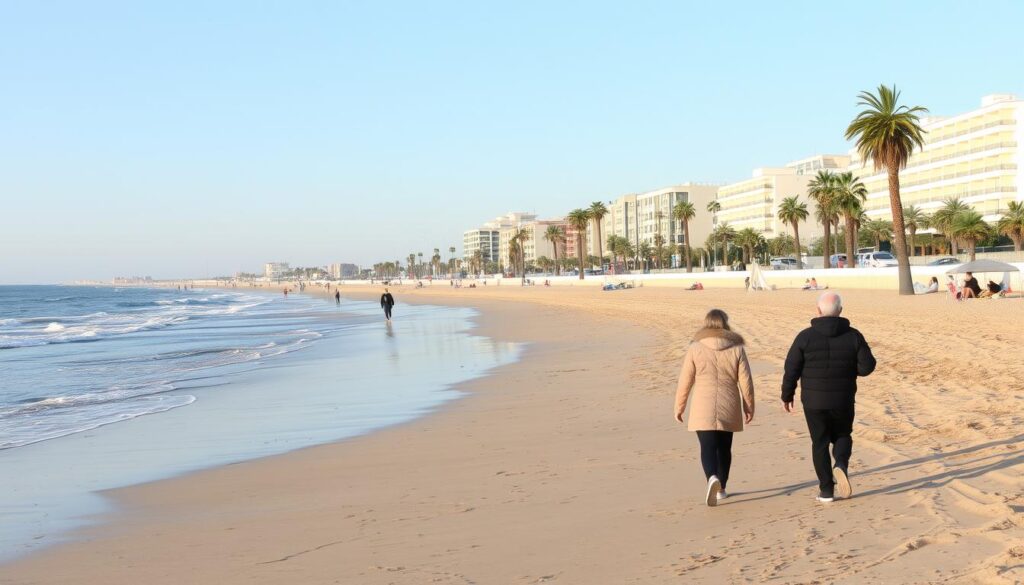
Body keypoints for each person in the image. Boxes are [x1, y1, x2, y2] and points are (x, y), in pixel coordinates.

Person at [782, 292, 876, 503]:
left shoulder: (805, 336)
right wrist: (850, 369)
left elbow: (791, 369)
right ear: (840, 311)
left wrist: (787, 394)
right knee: (843, 434)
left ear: (817, 310)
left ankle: (826, 490)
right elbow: (868, 365)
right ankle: (840, 464)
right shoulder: (853, 336)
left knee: (820, 442)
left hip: (814, 402)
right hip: (843, 398)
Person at [674, 309, 755, 507]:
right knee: (725, 448)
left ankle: (711, 477)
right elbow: (746, 380)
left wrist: (679, 406)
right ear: (725, 324)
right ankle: (722, 488)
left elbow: (685, 380)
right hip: (729, 403)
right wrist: (749, 405)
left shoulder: (695, 348)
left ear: (706, 324)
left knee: (707, 446)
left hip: (703, 403)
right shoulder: (736, 348)